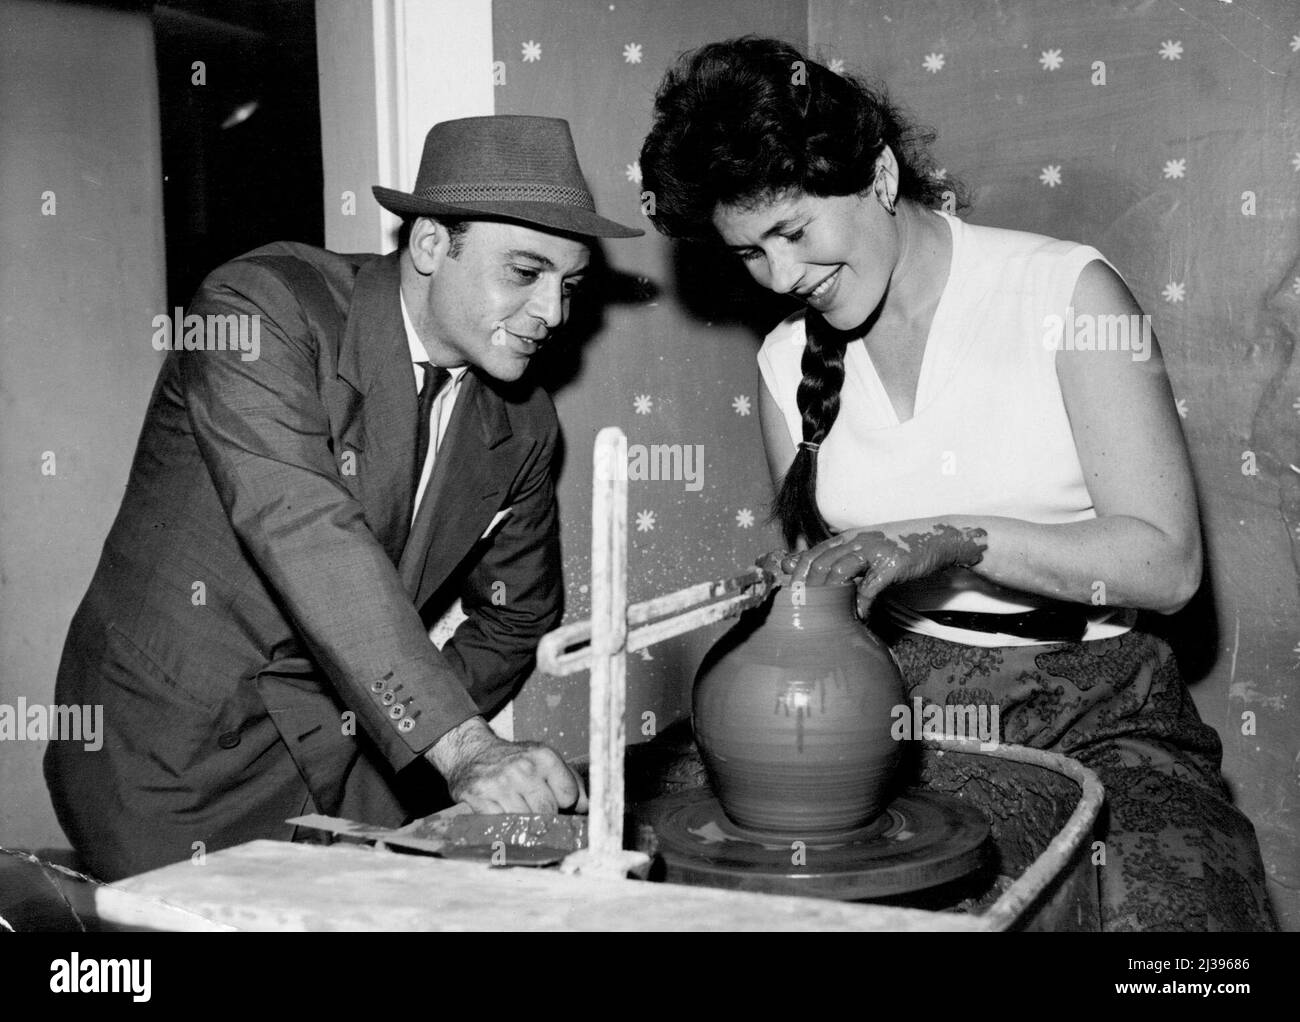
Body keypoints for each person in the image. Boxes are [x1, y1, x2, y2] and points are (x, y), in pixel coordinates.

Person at [639, 37, 1276, 931]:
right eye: (749, 252)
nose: (781, 277)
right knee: (636, 834)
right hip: (894, 701)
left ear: (882, 176)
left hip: (1092, 700)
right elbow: (823, 588)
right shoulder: (787, 362)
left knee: (1184, 924)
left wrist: (953, 536)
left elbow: (1167, 567)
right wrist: (780, 593)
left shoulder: (1065, 295)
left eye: (792, 231)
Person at [46, 115, 643, 881]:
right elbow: (305, 529)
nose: (554, 314)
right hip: (170, 750)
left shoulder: (524, 424)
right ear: (429, 244)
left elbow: (519, 614)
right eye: (525, 273)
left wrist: (395, 737)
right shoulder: (256, 311)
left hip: (345, 761)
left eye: (570, 285)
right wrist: (460, 742)